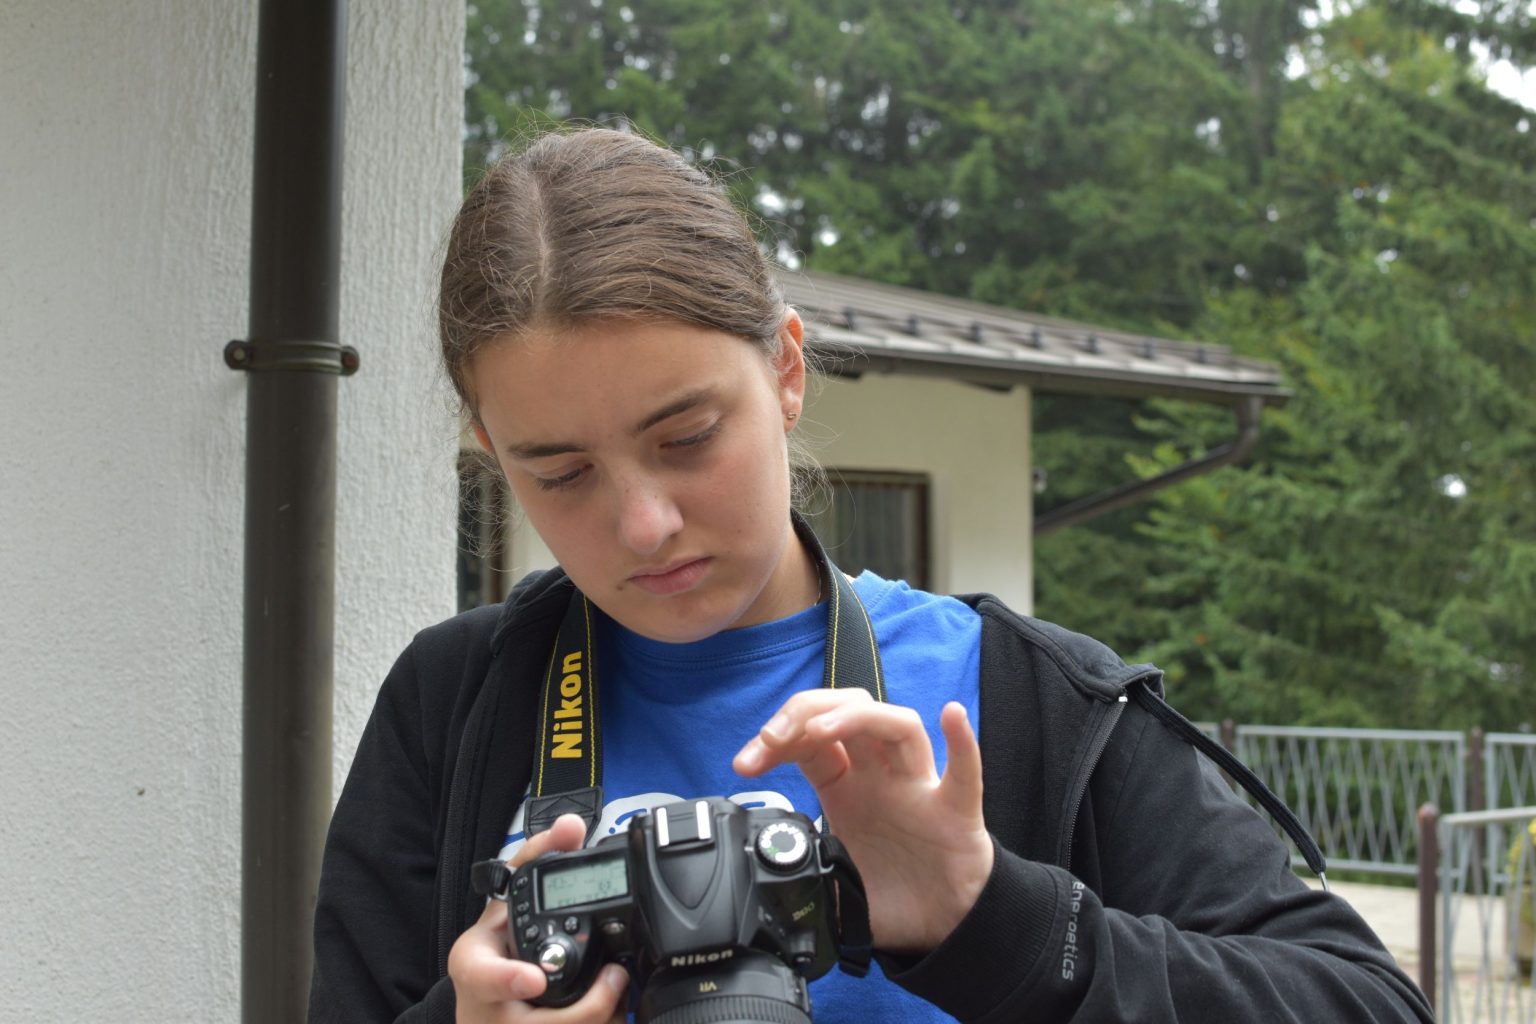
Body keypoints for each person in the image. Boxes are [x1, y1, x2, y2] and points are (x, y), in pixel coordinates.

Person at [307, 126, 1433, 1023]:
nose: (644, 524)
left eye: (688, 436)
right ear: (492, 453)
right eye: (560, 474)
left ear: (786, 371)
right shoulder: (455, 702)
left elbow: (1367, 1002)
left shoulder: (1026, 698)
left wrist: (994, 919)